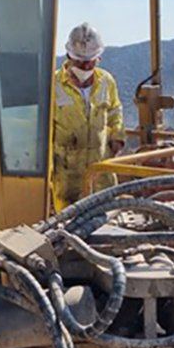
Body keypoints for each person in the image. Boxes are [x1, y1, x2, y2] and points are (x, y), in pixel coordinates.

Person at [51, 23, 125, 211]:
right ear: (69, 56)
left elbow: (115, 110)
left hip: (100, 165)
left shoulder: (106, 81)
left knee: (105, 212)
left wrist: (118, 136)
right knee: (69, 218)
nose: (85, 66)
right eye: (80, 62)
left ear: (98, 58)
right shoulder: (54, 84)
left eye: (90, 62)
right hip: (67, 171)